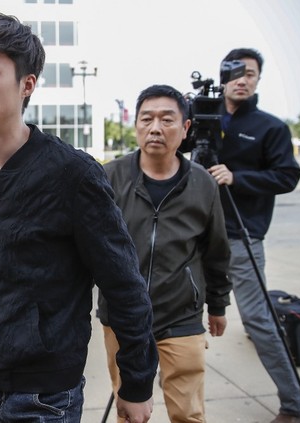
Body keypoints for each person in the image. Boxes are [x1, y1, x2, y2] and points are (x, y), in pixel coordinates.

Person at [0, 12, 158, 423]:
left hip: (45, 393)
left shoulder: (72, 173)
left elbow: (124, 285)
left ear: (27, 84)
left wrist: (136, 383)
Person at [97, 84, 231, 423]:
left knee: (188, 412)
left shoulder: (203, 184)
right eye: (147, 119)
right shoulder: (109, 177)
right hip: (123, 318)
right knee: (130, 411)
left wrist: (217, 306)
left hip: (181, 316)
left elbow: (216, 250)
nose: (155, 128)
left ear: (185, 128)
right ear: (136, 125)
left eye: (167, 119)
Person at [208, 48, 300, 423]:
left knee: (258, 321)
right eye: (235, 72)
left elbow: (288, 175)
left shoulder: (271, 127)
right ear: (222, 76)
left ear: (258, 79)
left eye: (250, 73)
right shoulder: (201, 117)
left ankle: (296, 406)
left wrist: (238, 177)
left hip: (241, 235)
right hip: (195, 233)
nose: (242, 79)